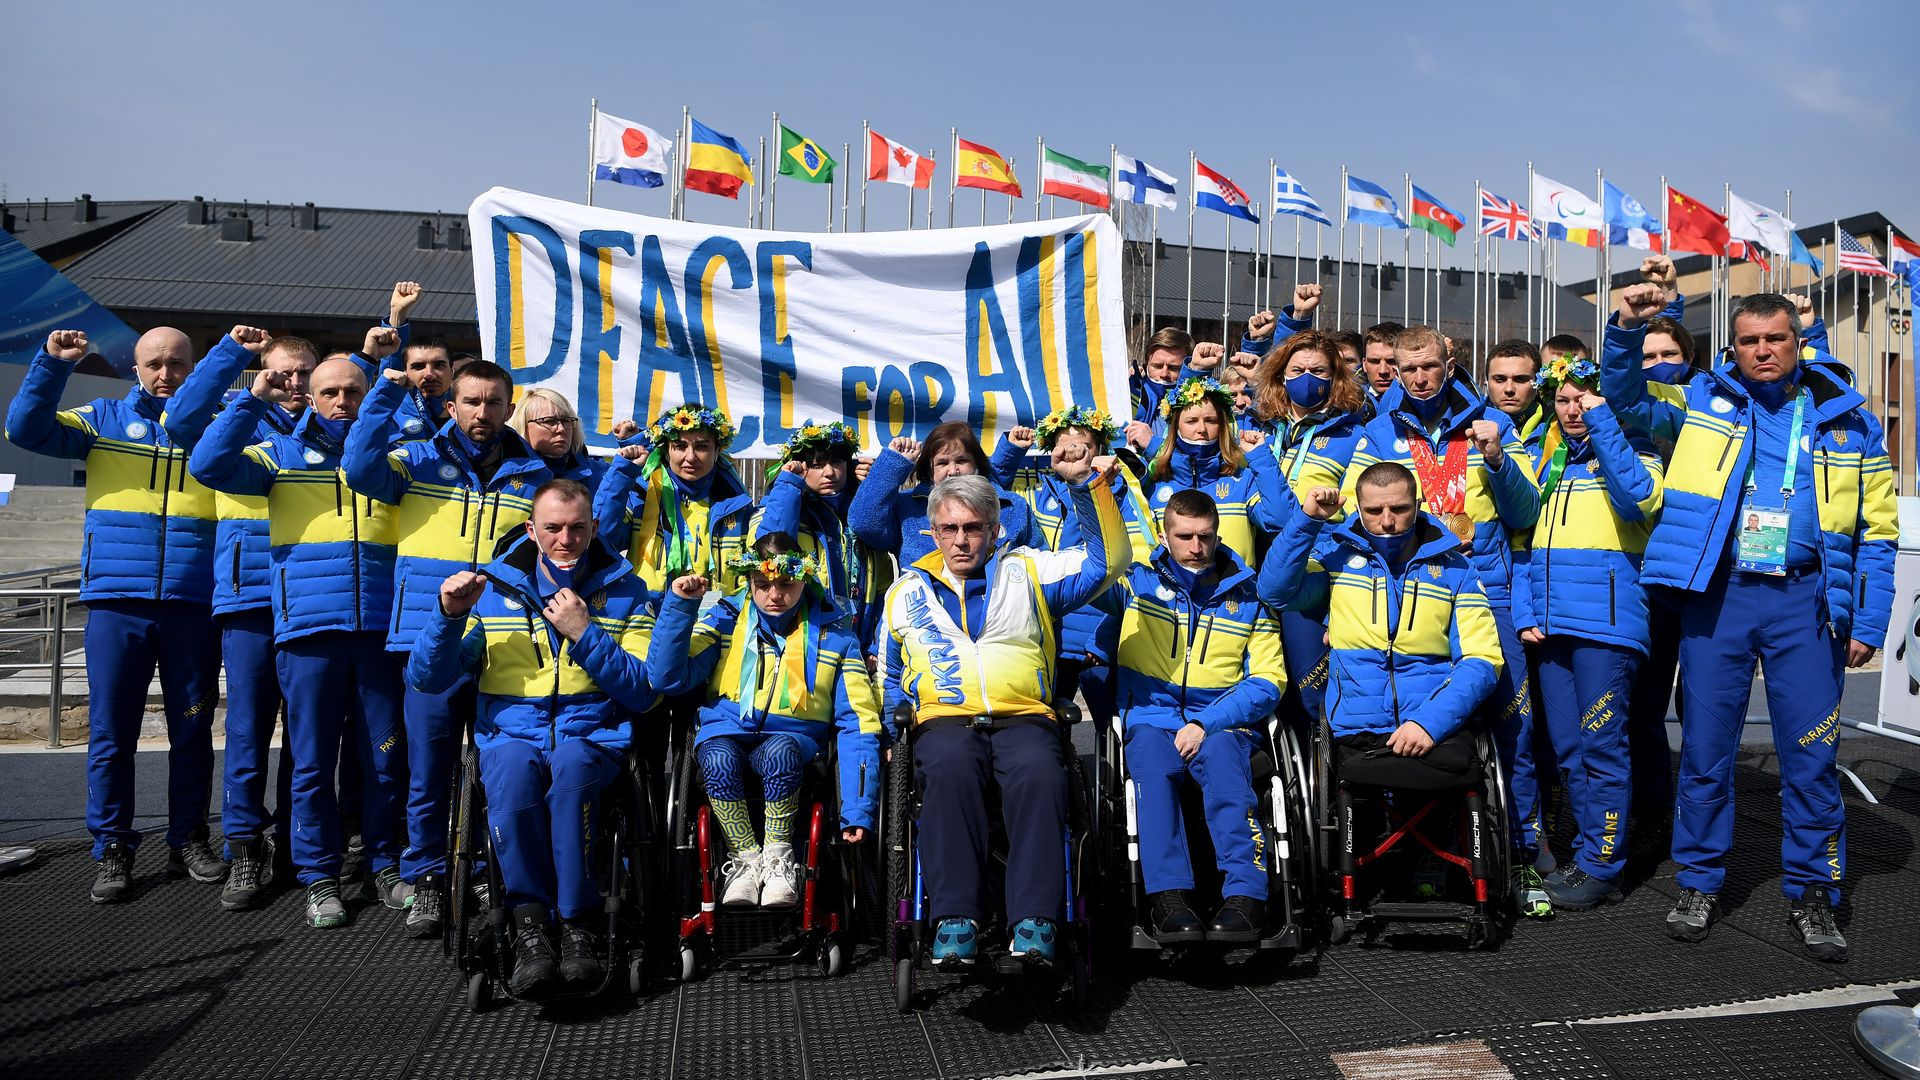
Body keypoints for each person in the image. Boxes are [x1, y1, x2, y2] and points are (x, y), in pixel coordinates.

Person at [1603, 285, 1896, 963]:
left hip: (1807, 604)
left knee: (1813, 760)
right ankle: (1699, 883)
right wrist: (1625, 326)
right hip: (1721, 600)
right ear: (1732, 348)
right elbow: (1622, 398)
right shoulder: (1698, 401)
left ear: (1800, 342)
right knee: (1705, 753)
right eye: (1749, 341)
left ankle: (1814, 893)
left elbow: (1879, 533)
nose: (1762, 351)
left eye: (1776, 339)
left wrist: (1870, 619)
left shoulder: (1850, 421)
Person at [189, 345, 408, 928]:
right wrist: (252, 399)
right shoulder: (278, 453)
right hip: (309, 634)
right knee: (312, 762)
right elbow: (208, 465)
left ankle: (385, 864)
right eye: (330, 392)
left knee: (384, 760)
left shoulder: (396, 455)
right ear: (309, 398)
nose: (342, 401)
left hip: (380, 634)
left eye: (353, 391)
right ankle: (317, 876)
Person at [5, 327, 227, 902]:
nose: (165, 374)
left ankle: (188, 839)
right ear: (135, 367)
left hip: (192, 604)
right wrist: (52, 366)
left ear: (195, 366)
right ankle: (112, 848)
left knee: (194, 731)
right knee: (111, 735)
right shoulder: (101, 418)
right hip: (116, 604)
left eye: (178, 363)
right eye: (154, 363)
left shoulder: (218, 423)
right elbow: (25, 430)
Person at [410, 479, 657, 994]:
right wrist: (448, 616)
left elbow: (642, 691)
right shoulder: (492, 590)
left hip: (592, 734)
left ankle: (576, 925)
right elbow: (428, 679)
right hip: (509, 735)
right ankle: (529, 926)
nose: (565, 538)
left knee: (569, 768)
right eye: (553, 528)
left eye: (577, 528)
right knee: (512, 772)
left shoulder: (627, 588)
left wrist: (584, 634)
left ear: (593, 528)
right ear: (531, 530)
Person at [879, 468, 1128, 966]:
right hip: (944, 719)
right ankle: (954, 919)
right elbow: (889, 675)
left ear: (995, 531)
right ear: (933, 533)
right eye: (949, 529)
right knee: (948, 774)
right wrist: (894, 732)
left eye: (973, 528)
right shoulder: (905, 592)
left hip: (1024, 715)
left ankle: (1035, 919)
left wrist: (1088, 488)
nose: (961, 540)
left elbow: (1108, 565)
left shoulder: (1028, 570)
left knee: (1039, 775)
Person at [1340, 325, 1548, 916]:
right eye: (1407, 370)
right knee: (1411, 719)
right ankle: (1418, 854)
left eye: (1429, 366)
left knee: (1514, 727)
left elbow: (1525, 512)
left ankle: (1522, 852)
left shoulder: (1491, 422)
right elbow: (1362, 516)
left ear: (1449, 361)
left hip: (1486, 588)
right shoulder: (1379, 431)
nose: (1419, 379)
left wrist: (1497, 459)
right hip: (1411, 593)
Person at [344, 358, 553, 937]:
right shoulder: (415, 459)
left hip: (502, 646)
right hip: (427, 638)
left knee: (498, 766)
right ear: (449, 406)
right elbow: (359, 468)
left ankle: (484, 872)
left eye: (493, 403)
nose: (482, 413)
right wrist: (385, 390)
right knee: (428, 768)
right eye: (471, 402)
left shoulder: (534, 477)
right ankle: (428, 878)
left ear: (510, 409)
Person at [162, 326, 326, 909]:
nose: (294, 383)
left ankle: (295, 846)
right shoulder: (236, 415)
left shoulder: (332, 428)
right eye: (283, 372)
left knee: (308, 739)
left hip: (310, 602)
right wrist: (242, 372)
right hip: (251, 598)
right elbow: (179, 425)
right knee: (248, 733)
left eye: (305, 373)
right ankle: (244, 850)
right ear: (263, 373)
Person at [648, 533, 882, 910]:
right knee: (717, 757)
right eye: (762, 585)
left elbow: (859, 720)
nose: (774, 595)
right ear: (749, 584)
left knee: (780, 751)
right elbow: (665, 678)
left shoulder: (836, 637)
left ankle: (778, 859)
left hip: (794, 740)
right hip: (726, 731)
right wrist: (680, 608)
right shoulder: (724, 622)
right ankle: (745, 861)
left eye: (786, 584)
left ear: (805, 580)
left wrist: (857, 806)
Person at [1511, 355, 1665, 910]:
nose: (1573, 410)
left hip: (1607, 627)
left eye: (1584, 399)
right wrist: (1527, 611)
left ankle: (1606, 864)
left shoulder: (1637, 451)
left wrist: (1606, 423)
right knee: (1571, 748)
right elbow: (1522, 545)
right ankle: (1586, 854)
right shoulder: (1546, 461)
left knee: (1603, 746)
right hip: (1551, 629)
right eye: (1563, 400)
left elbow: (1640, 500)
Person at [1104, 489, 1285, 942]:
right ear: (1164, 537)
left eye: (1205, 536)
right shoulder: (1135, 584)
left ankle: (1246, 897)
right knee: (1149, 763)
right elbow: (1097, 566)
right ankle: (1169, 899)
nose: (1196, 546)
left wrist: (1207, 723)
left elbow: (1268, 681)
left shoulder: (1249, 595)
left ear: (1217, 534)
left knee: (1225, 762)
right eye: (1184, 536)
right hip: (1151, 715)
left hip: (1223, 722)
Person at [1259, 463, 1501, 787]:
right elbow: (1274, 591)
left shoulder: (1458, 570)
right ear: (1358, 509)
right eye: (1374, 511)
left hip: (1437, 730)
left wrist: (1429, 723)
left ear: (1417, 506)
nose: (1387, 521)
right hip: (1358, 733)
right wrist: (1308, 521)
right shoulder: (1335, 560)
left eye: (1399, 509)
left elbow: (1482, 661)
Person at [988, 407, 1159, 732]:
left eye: (1085, 447)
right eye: (1065, 447)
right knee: (1049, 731)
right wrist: (1009, 452)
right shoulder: (1037, 498)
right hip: (1046, 638)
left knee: (1111, 733)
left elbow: (1135, 575)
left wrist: (1105, 641)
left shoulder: (1125, 497)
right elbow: (981, 492)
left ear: (1102, 451)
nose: (1075, 453)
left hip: (1099, 641)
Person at [1247, 330, 1369, 734]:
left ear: (1336, 377)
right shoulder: (1259, 429)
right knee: (1254, 682)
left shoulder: (1354, 434)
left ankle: (1326, 779)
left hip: (1312, 570)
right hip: (1253, 565)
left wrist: (1266, 473)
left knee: (1306, 688)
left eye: (1318, 370)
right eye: (1297, 369)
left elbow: (1285, 517)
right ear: (1280, 376)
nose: (1307, 377)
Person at [755, 421, 890, 653]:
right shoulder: (781, 506)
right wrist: (789, 484)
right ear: (800, 466)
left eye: (837, 462)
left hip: (861, 644)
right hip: (804, 647)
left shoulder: (860, 515)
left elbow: (885, 588)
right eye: (817, 464)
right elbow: (769, 546)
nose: (829, 472)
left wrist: (874, 489)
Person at [593, 403, 756, 593]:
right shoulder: (641, 496)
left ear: (717, 451)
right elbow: (601, 538)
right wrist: (622, 473)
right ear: (665, 451)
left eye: (702, 447)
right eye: (679, 446)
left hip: (715, 619)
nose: (691, 457)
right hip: (650, 615)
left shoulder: (737, 505)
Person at [848, 421, 1035, 568]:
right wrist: (893, 464)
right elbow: (864, 524)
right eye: (942, 463)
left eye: (962, 461)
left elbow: (1037, 563)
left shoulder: (1011, 506)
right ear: (930, 470)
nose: (953, 471)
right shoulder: (907, 509)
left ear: (977, 465)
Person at [1140, 377, 1275, 567]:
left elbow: (1278, 521)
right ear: (1175, 427)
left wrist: (1261, 457)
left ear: (1222, 427)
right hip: (1174, 594)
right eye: (1192, 421)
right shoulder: (1154, 484)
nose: (1201, 429)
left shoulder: (1243, 480)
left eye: (1210, 421)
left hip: (1234, 593)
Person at [507, 388, 605, 487]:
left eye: (566, 421)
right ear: (523, 425)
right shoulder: (503, 474)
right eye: (549, 421)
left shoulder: (602, 475)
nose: (561, 429)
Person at [1483, 340, 1548, 459]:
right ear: (1486, 383)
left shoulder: (1556, 430)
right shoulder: (1465, 426)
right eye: (1500, 379)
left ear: (1538, 384)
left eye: (1520, 379)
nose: (1509, 389)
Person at [1132, 327, 1193, 424]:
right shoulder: (1130, 395)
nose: (1164, 374)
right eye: (1158, 366)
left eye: (1174, 368)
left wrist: (1150, 440)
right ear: (1145, 366)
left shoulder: (1199, 403)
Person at [1359, 322, 1405, 400]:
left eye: (1392, 361)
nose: (1383, 371)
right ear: (1364, 364)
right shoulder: (1344, 407)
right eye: (1374, 361)